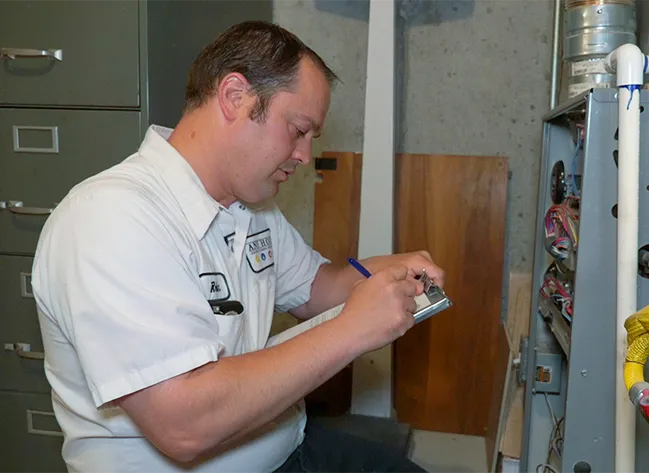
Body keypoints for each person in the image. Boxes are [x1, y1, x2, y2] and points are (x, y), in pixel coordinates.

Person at [31, 20, 444, 473]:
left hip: (286, 448)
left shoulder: (250, 208)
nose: (305, 156)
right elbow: (183, 426)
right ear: (234, 97)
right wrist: (353, 330)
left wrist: (390, 273)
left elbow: (318, 288)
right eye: (298, 129)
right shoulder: (109, 218)